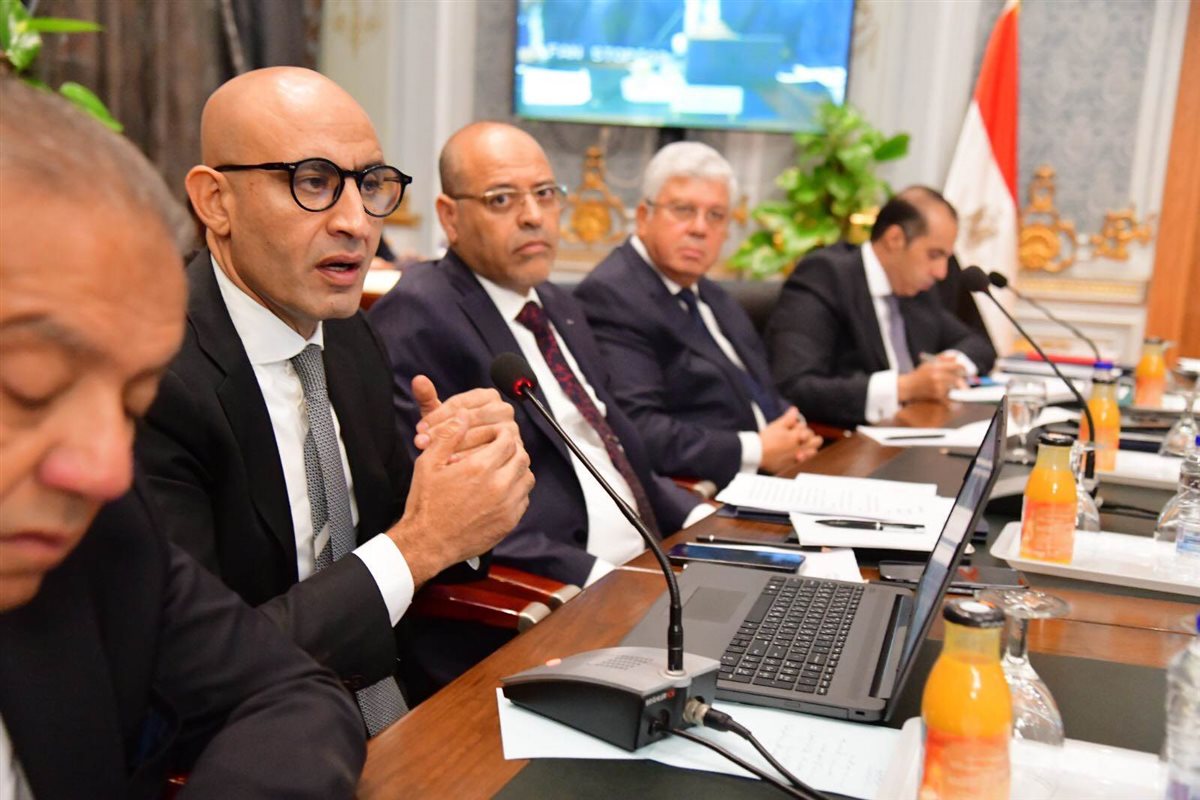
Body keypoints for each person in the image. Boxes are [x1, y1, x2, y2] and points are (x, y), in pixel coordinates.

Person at [135, 69, 534, 729]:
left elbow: (402, 540)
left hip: (401, 708)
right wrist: (420, 542)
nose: (356, 223)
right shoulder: (150, 378)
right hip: (249, 741)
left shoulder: (349, 338)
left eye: (370, 184)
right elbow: (196, 668)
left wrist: (461, 485)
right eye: (313, 183)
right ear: (215, 201)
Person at [0, 76, 363, 798]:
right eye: (29, 386)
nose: (108, 470)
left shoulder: (101, 542)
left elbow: (294, 694)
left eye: (132, 405)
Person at [369, 122, 710, 590]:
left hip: (651, 558)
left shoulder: (557, 303)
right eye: (502, 199)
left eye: (545, 194)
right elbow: (458, 515)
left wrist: (706, 521)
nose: (533, 216)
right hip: (570, 585)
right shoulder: (419, 316)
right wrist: (609, 584)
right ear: (450, 217)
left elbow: (614, 447)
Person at [575, 142, 821, 490]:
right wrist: (756, 449)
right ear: (643, 217)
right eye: (684, 210)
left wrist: (795, 431)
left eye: (716, 215)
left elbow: (760, 388)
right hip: (708, 491)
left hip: (780, 474)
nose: (700, 228)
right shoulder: (612, 295)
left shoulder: (710, 293)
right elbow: (639, 429)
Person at [765, 187, 997, 429]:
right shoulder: (825, 276)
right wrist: (905, 387)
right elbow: (795, 386)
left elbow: (978, 344)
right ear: (894, 239)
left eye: (946, 257)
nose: (942, 272)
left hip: (917, 427)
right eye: (934, 255)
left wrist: (946, 369)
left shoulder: (915, 288)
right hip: (851, 439)